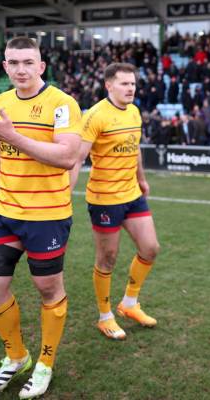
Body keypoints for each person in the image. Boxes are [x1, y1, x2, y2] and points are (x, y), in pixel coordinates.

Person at [0, 37, 82, 399]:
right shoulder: (2, 101)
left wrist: (13, 134)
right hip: (5, 210)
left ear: (41, 66)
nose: (21, 69)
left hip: (48, 214)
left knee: (48, 289)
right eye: (14, 63)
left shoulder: (62, 103)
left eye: (29, 62)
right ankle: (17, 357)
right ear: (5, 67)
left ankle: (44, 363)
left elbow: (66, 157)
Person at [69, 62, 160, 341]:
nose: (130, 88)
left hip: (131, 194)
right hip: (105, 199)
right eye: (124, 83)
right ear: (109, 85)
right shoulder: (95, 115)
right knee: (107, 259)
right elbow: (77, 158)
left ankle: (129, 303)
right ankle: (105, 316)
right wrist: (65, 194)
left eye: (132, 83)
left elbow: (135, 150)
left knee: (150, 248)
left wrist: (141, 179)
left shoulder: (134, 111)